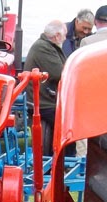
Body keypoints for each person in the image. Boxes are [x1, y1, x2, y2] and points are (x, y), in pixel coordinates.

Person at [25, 20, 67, 156]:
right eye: (64, 35)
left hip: (45, 98)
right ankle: (68, 158)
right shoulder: (44, 48)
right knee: (69, 124)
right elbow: (60, 73)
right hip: (44, 101)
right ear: (57, 35)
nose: (65, 39)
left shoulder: (45, 46)